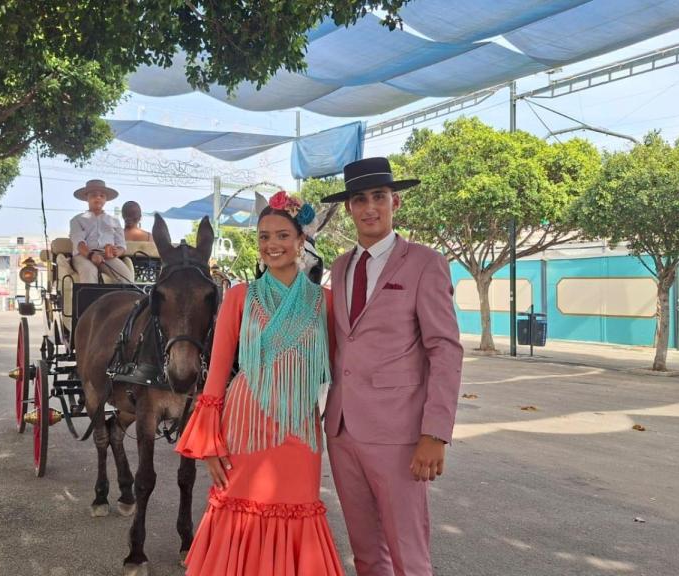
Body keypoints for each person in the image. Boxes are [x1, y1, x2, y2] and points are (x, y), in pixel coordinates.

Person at [176, 190, 344, 576]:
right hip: (243, 426)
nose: (272, 244)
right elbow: (217, 372)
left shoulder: (326, 302)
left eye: (283, 235)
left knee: (297, 510)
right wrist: (210, 442)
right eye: (264, 236)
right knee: (238, 513)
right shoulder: (239, 297)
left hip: (300, 428)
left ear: (302, 241)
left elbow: (338, 370)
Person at [321, 157, 464, 576]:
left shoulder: (424, 262)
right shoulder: (342, 265)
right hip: (342, 429)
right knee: (366, 552)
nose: (369, 207)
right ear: (349, 207)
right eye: (359, 199)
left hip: (400, 434)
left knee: (408, 554)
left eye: (378, 197)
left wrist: (435, 433)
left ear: (395, 202)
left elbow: (445, 350)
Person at [69, 179, 134, 283]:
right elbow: (79, 243)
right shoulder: (77, 220)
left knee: (126, 277)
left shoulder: (114, 221)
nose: (98, 198)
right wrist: (91, 255)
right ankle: (88, 299)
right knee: (89, 271)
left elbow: (122, 245)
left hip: (107, 257)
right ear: (87, 198)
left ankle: (119, 299)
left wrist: (116, 252)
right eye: (94, 195)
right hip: (84, 256)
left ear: (106, 199)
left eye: (102, 196)